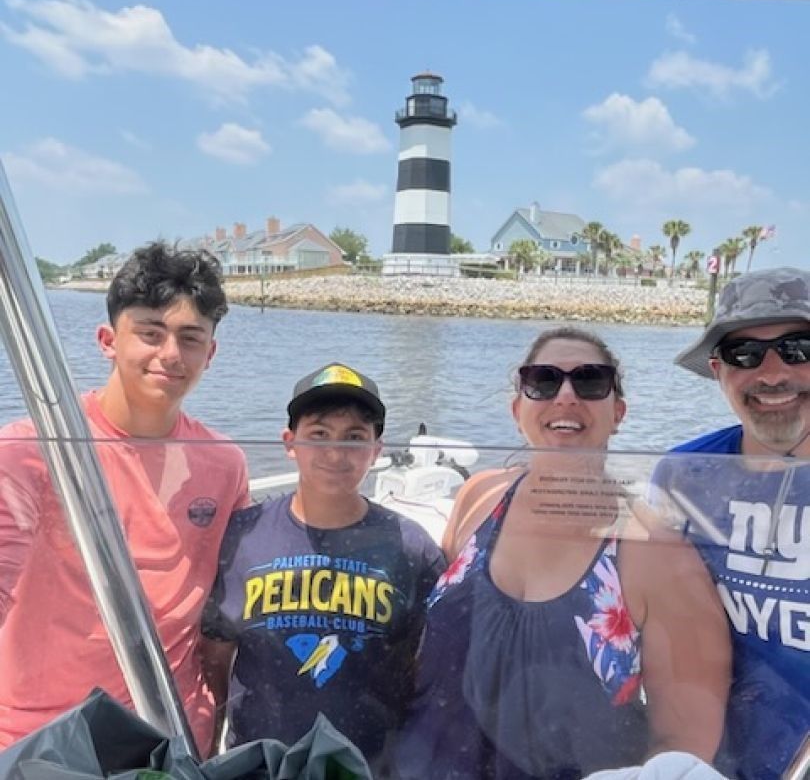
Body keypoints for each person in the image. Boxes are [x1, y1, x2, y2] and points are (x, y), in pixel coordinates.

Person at [396, 326, 730, 780]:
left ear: (618, 412)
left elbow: (684, 746)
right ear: (519, 409)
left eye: (590, 381)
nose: (566, 396)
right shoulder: (478, 498)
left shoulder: (656, 553)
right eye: (543, 380)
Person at [0, 242, 249, 753]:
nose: (171, 355)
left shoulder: (226, 463)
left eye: (190, 338)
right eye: (151, 334)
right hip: (37, 735)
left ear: (211, 353)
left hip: (170, 731)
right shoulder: (32, 450)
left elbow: (223, 612)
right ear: (108, 340)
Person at [201, 362, 445, 772]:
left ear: (377, 449)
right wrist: (208, 750)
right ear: (289, 442)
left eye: (355, 438)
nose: (335, 453)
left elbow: (427, 668)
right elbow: (215, 656)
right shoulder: (243, 535)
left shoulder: (411, 547)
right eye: (318, 435)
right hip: (260, 762)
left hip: (366, 764)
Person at [652, 267, 810, 780]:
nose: (771, 374)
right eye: (745, 354)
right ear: (718, 369)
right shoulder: (682, 475)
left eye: (798, 348)